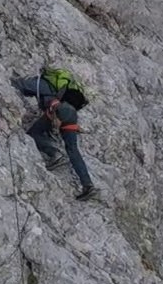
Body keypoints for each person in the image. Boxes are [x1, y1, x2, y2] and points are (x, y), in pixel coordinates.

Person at [10, 68, 97, 200]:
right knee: (73, 149)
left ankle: (54, 154)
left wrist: (10, 82)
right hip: (71, 114)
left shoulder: (41, 83)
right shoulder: (61, 89)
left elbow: (21, 85)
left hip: (60, 111)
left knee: (33, 133)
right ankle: (88, 185)